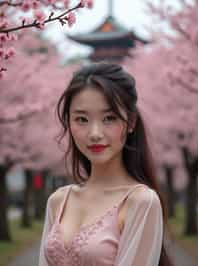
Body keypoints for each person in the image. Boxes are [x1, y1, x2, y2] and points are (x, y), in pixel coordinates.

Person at [39, 62, 173, 266]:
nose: (94, 133)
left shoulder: (141, 202)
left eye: (109, 118)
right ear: (69, 122)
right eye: (81, 119)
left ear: (131, 122)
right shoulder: (58, 201)